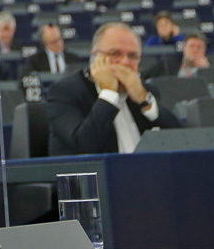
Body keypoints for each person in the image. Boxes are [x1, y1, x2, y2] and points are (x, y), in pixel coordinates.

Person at [47, 22, 180, 155]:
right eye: (115, 54)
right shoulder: (65, 92)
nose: (125, 62)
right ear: (95, 57)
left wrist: (143, 99)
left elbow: (179, 139)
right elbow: (82, 145)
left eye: (132, 56)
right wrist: (109, 94)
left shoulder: (143, 91)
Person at [144, 32, 209, 79]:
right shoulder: (168, 63)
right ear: (184, 48)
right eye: (191, 46)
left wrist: (207, 70)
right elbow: (144, 76)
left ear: (205, 50)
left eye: (199, 47)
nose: (195, 50)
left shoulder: (210, 67)